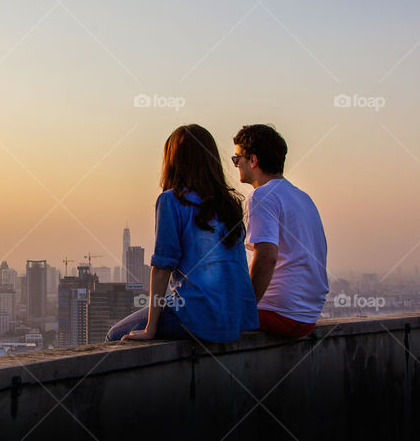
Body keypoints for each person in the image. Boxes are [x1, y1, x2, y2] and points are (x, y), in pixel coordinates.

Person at [107, 125, 258, 343]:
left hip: (198, 315)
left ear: (173, 161)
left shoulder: (172, 200)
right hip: (236, 317)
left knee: (114, 335)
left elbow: (162, 267)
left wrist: (150, 327)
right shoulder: (229, 204)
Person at [233, 124, 328, 338]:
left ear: (253, 160)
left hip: (279, 315)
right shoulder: (303, 198)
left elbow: (266, 257)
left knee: (186, 312)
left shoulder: (262, 196)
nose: (236, 164)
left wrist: (242, 312)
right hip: (307, 317)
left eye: (237, 158)